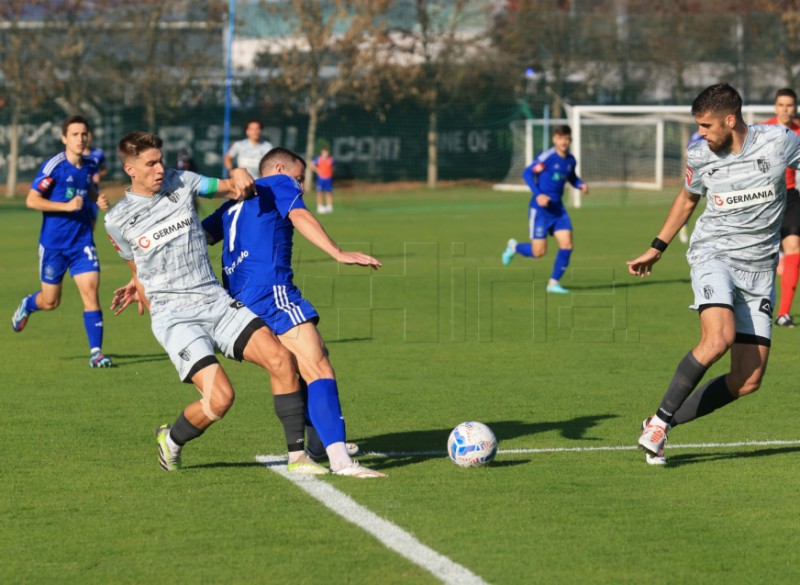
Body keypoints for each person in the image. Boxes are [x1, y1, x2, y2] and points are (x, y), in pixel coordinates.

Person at [104, 132, 324, 475]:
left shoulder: (184, 181)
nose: (160, 168)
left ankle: (298, 457)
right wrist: (137, 283)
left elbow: (229, 187)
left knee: (281, 359)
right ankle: (172, 439)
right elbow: (133, 261)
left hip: (214, 300)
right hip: (175, 317)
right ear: (131, 169)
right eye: (150, 163)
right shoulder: (117, 220)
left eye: (161, 159)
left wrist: (237, 173)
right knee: (221, 399)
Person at [628, 83, 800, 465]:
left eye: (706, 125)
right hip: (714, 255)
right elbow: (688, 198)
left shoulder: (779, 142)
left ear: (730, 119)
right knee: (718, 337)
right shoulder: (699, 154)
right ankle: (658, 423)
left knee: (747, 381)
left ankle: (661, 423)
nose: (700, 133)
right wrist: (657, 248)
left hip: (759, 271)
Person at [202, 147, 386, 478]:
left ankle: (319, 444)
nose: (300, 187)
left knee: (299, 366)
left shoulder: (228, 206)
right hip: (271, 292)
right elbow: (300, 215)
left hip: (237, 301)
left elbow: (196, 239)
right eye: (299, 178)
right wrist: (337, 252)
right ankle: (341, 461)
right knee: (318, 366)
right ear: (277, 168)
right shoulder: (277, 183)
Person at [11, 114, 112, 368]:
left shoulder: (90, 165)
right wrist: (65, 207)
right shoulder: (53, 166)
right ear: (64, 138)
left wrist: (96, 199)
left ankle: (96, 353)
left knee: (91, 292)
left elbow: (88, 188)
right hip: (54, 245)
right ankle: (28, 303)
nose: (80, 139)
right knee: (51, 301)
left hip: (82, 242)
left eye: (84, 134)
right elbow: (31, 200)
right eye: (75, 134)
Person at [501, 124, 589, 294]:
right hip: (540, 211)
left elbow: (571, 177)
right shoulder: (547, 158)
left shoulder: (570, 160)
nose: (563, 142)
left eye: (567, 139)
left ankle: (553, 283)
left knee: (567, 244)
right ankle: (513, 248)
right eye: (560, 138)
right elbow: (527, 173)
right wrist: (538, 194)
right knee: (538, 252)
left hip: (558, 210)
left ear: (570, 140)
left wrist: (580, 184)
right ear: (555, 139)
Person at [763, 88, 800, 327]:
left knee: (795, 247)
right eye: (781, 105)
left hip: (791, 197)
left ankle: (783, 313)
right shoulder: (762, 131)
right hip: (765, 200)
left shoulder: (799, 131)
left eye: (790, 105)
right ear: (775, 107)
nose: (786, 109)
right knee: (763, 256)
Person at [678, 131, 705, 244]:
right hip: (699, 172)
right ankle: (684, 226)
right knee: (689, 200)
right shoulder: (698, 135)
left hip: (715, 173)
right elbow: (687, 152)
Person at [82, 126, 107, 231]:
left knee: (91, 227)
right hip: (79, 194)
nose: (87, 138)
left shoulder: (98, 153)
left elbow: (104, 169)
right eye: (84, 135)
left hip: (93, 195)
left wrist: (99, 175)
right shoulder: (75, 155)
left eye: (89, 135)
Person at [310, 146, 335, 214]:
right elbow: (311, 165)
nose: (325, 154)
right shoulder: (318, 159)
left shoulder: (331, 159)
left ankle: (329, 206)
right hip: (321, 178)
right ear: (322, 153)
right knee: (320, 192)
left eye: (326, 153)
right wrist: (317, 170)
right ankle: (319, 206)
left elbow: (333, 167)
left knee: (328, 192)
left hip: (328, 178)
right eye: (324, 152)